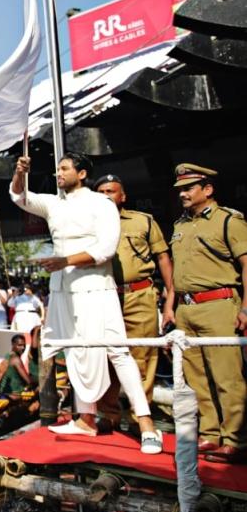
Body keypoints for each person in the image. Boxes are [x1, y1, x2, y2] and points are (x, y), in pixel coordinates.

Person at [10, 151, 162, 454]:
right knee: (76, 352)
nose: (58, 173)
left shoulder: (101, 204)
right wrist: (20, 173)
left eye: (64, 168)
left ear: (81, 173)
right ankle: (86, 420)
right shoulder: (54, 204)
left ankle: (146, 425)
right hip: (63, 290)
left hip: (96, 287)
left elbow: (105, 249)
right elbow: (19, 196)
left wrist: (65, 260)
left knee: (118, 352)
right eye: (57, 169)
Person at [168, 163, 247, 463]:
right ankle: (212, 434)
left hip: (219, 304)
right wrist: (172, 306)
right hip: (187, 308)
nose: (183, 194)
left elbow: (246, 264)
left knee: (227, 377)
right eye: (180, 190)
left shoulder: (229, 221)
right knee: (198, 378)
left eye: (188, 188)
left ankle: (236, 439)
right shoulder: (180, 225)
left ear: (208, 189)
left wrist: (246, 308)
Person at [94, 174, 175, 430]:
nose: (107, 195)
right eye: (102, 191)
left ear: (123, 196)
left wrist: (171, 295)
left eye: (112, 190)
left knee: (142, 355)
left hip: (139, 295)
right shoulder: (89, 224)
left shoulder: (143, 221)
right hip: (104, 295)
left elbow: (163, 258)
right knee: (104, 357)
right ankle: (108, 416)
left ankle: (140, 417)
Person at [0, 335, 35, 401]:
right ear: (13, 345)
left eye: (24, 345)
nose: (23, 348)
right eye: (19, 345)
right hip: (15, 394)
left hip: (5, 392)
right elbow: (29, 381)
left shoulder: (7, 355)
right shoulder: (16, 359)